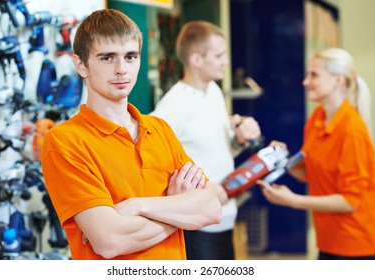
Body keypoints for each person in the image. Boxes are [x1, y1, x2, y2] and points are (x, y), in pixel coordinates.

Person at [40, 9, 222, 260]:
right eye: (107, 58)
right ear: (81, 65)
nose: (121, 69)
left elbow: (211, 209)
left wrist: (140, 205)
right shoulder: (65, 141)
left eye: (130, 56)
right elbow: (110, 241)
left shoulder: (160, 130)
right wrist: (177, 210)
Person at [151, 21, 261, 260]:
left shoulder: (213, 91)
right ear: (196, 59)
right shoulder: (172, 106)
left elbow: (220, 150)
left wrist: (238, 139)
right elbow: (151, 163)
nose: (226, 61)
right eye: (219, 55)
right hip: (197, 226)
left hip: (224, 217)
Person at [257, 47, 375, 260]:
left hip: (355, 245)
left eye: (314, 75)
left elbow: (350, 201)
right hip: (327, 240)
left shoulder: (352, 131)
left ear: (338, 80)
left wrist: (294, 200)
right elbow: (307, 173)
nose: (305, 82)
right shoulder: (317, 119)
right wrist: (282, 159)